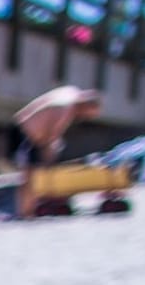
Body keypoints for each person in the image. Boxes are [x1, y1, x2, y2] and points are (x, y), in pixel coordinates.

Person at [9, 86, 104, 218]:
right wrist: (49, 160)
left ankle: (28, 210)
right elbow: (50, 136)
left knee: (33, 173)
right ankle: (25, 213)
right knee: (29, 174)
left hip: (30, 132)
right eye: (87, 114)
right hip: (25, 132)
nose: (83, 117)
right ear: (86, 105)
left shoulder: (70, 93)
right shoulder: (66, 109)